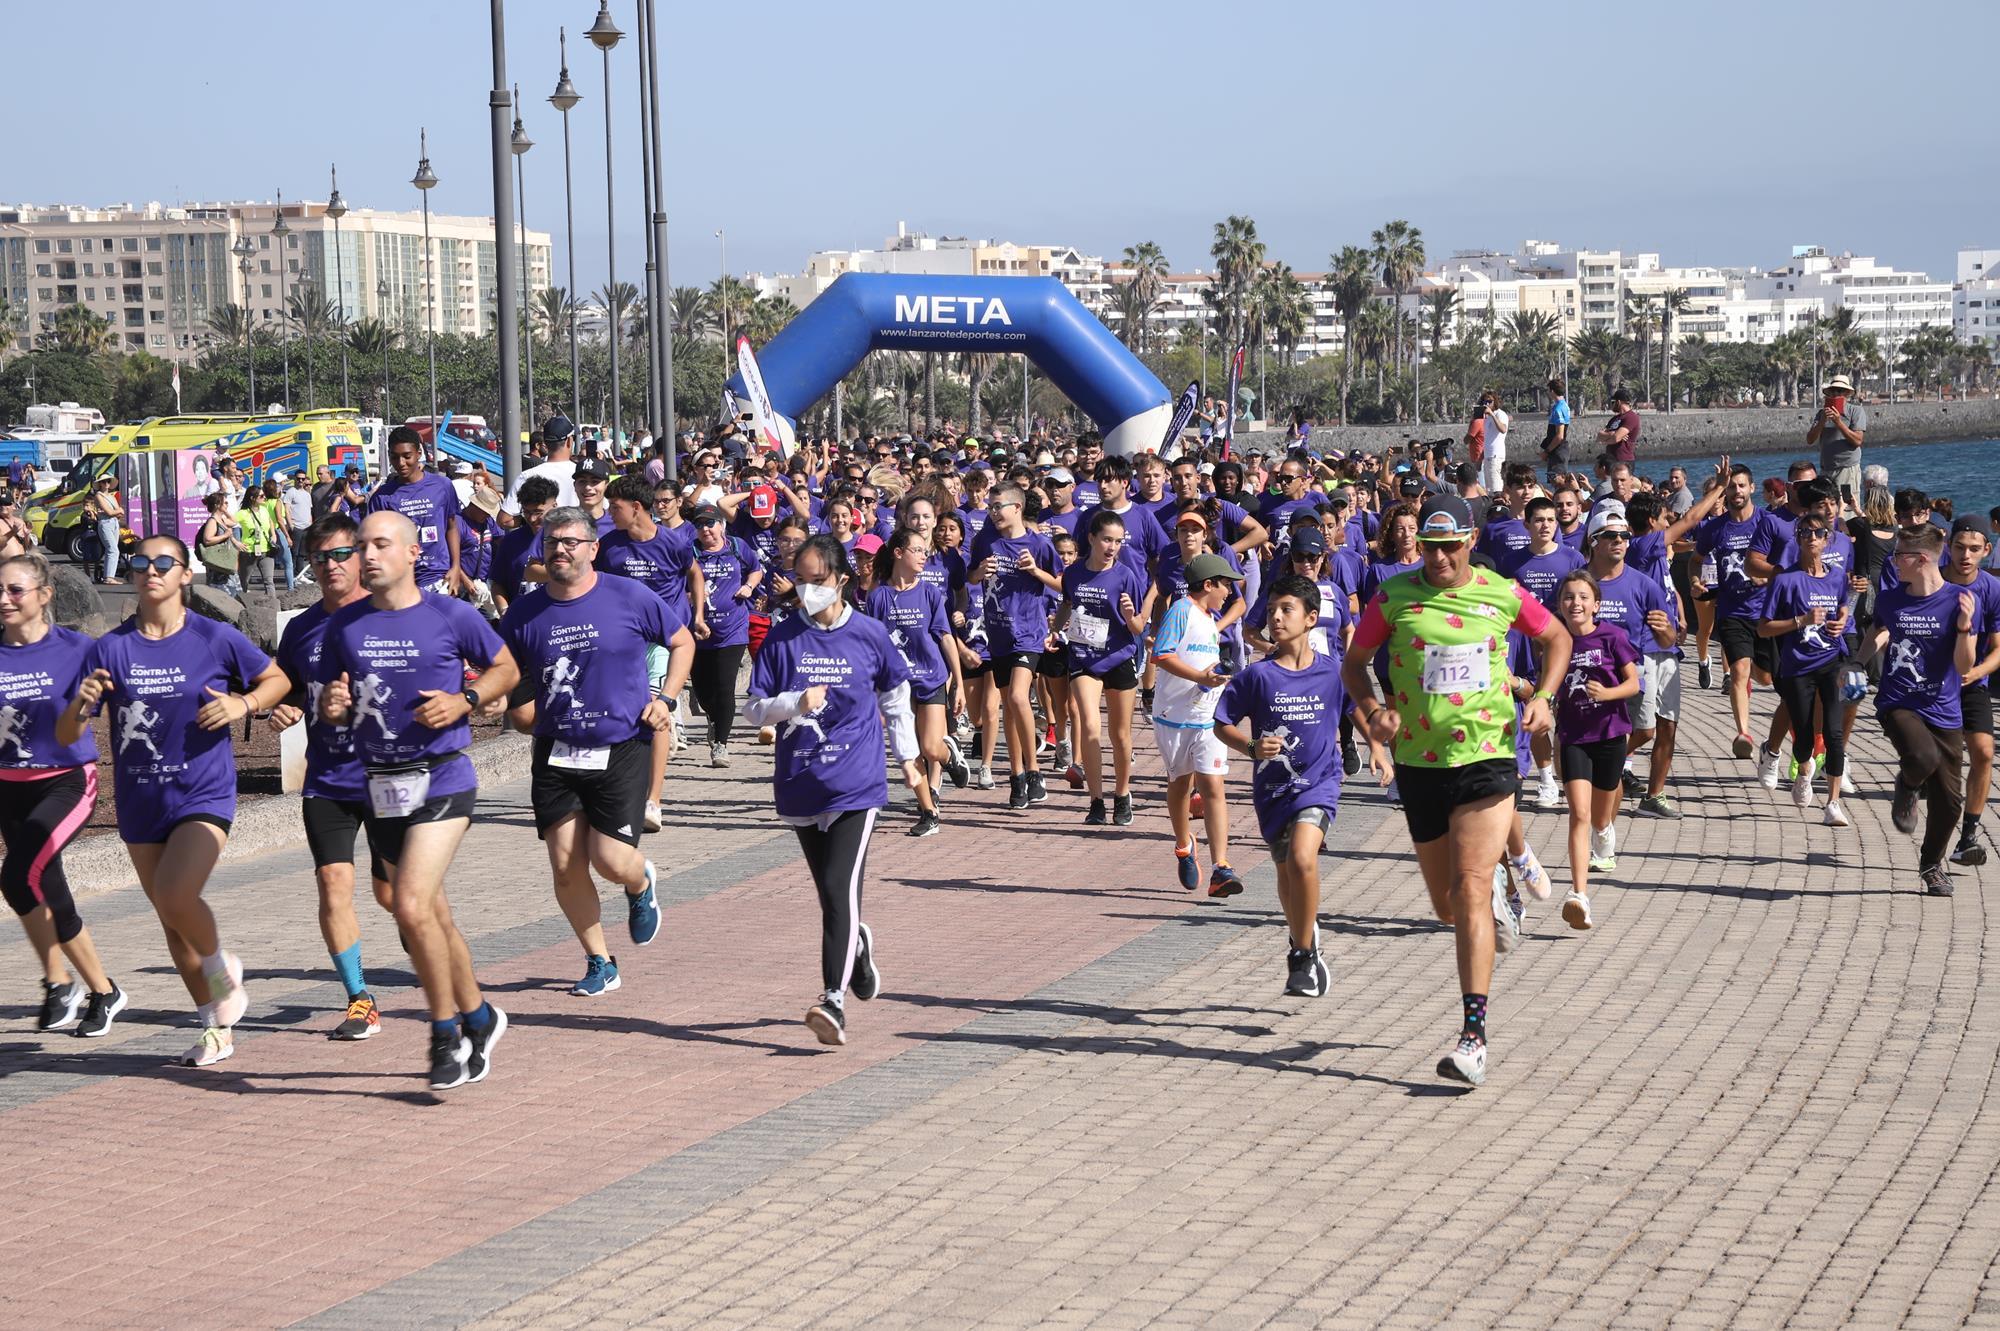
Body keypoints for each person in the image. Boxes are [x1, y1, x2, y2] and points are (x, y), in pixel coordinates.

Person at [1342, 493, 1571, 1088]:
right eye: (1430, 547)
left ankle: (1474, 1036)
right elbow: (1354, 662)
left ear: (1470, 540)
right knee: (1448, 906)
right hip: (1419, 763)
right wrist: (1373, 713)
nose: (1439, 558)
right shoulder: (1392, 597)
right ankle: (1498, 885)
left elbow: (1559, 640)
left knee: (1467, 889)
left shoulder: (1501, 591)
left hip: (1488, 757)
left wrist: (1543, 698)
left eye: (1450, 546)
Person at [59, 534, 290, 1067]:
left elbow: (276, 679)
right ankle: (214, 1026)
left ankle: (221, 967)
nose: (150, 570)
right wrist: (80, 703)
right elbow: (70, 727)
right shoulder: (110, 647)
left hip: (202, 792)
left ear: (187, 574)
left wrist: (244, 703)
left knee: (176, 892)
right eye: (140, 562)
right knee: (172, 918)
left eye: (164, 562)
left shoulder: (215, 638)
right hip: (142, 799)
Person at [316, 511, 522, 1090]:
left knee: (408, 905)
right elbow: (338, 700)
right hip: (379, 782)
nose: (368, 555)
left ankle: (444, 1033)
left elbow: (506, 667)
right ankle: (481, 1016)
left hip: (442, 776)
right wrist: (333, 706)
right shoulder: (346, 626)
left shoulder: (450, 614)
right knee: (429, 913)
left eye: (381, 544)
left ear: (412, 553)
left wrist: (467, 699)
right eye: (362, 546)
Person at [501, 506, 690, 996]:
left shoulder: (627, 596)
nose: (559, 550)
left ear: (592, 548)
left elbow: (681, 641)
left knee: (609, 860)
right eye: (550, 543)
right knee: (565, 866)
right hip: (557, 751)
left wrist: (665, 698)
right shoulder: (525, 612)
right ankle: (599, 961)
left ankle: (639, 882)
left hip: (621, 745)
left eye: (569, 541)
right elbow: (502, 669)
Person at [742, 536, 913, 1046]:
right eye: (801, 579)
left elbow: (897, 696)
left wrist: (909, 760)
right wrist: (794, 702)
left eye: (818, 580)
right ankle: (855, 945)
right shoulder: (781, 638)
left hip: (856, 782)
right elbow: (754, 709)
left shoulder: (870, 634)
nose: (808, 589)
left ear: (841, 578)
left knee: (839, 888)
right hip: (800, 782)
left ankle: (832, 1003)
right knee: (833, 900)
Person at [1214, 574, 1375, 997]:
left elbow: (1355, 709)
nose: (1277, 618)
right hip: (1273, 792)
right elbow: (1221, 724)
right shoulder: (1257, 676)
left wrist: (1378, 747)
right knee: (1287, 874)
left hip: (1319, 782)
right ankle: (1304, 936)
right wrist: (1251, 747)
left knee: (1304, 859)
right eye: (1271, 611)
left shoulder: (1333, 673)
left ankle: (1302, 956)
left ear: (1311, 618)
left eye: (1286, 610)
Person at [268, 513, 396, 1038]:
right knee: (331, 882)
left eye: (340, 554)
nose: (330, 566)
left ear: (361, 557)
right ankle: (359, 997)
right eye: (320, 557)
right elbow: (289, 686)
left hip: (389, 776)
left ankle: (424, 936)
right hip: (329, 779)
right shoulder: (301, 628)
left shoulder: (391, 616)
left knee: (395, 895)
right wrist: (284, 707)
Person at [1, 551, 125, 1036]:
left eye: (16, 590)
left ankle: (74, 985)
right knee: (46, 888)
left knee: (16, 877)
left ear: (44, 596)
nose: (5, 599)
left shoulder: (77, 649)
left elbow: (128, 694)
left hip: (66, 782)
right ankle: (88, 987)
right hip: (8, 788)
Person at [1864, 524, 1978, 896]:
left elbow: (1964, 668)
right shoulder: (1891, 599)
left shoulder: (1958, 600)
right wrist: (1856, 663)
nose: (1893, 562)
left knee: (1950, 803)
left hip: (1943, 709)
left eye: (1899, 556)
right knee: (1921, 755)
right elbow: (1878, 631)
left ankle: (1931, 864)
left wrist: (1963, 629)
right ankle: (1908, 785)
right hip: (1898, 700)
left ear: (1922, 559)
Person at [1548, 570, 1641, 929]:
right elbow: (1547, 684)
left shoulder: (1612, 637)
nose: (1576, 603)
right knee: (1579, 814)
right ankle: (1579, 896)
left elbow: (1633, 683)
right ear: (1560, 604)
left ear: (1596, 604)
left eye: (1583, 597)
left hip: (1611, 733)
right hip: (1573, 736)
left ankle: (1605, 832)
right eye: (1569, 597)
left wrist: (1608, 694)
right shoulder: (1556, 642)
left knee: (1601, 815)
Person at [1052, 510, 1152, 825]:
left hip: (1119, 657)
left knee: (1120, 735)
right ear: (1092, 538)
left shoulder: (1126, 576)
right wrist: (1054, 629)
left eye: (1118, 541)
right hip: (1083, 657)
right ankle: (1096, 800)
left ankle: (1122, 794)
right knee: (1090, 726)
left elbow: (1137, 628)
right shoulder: (1074, 574)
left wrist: (1129, 614)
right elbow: (1067, 603)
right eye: (1107, 539)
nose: (1112, 547)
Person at [865, 529, 965, 837]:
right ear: (898, 553)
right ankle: (928, 812)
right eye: (918, 550)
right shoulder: (878, 596)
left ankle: (952, 758)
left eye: (926, 551)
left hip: (930, 679)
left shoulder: (930, 593)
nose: (924, 556)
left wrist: (958, 681)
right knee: (909, 752)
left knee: (931, 748)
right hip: (897, 685)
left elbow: (945, 637)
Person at [968, 484, 1062, 809]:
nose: (993, 512)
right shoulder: (985, 540)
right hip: (998, 634)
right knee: (1010, 703)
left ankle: (1034, 772)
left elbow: (1063, 583)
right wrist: (980, 571)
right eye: (990, 507)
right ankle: (1016, 774)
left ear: (1017, 508)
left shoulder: (1038, 544)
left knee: (1020, 697)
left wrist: (1035, 571)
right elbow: (970, 578)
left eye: (998, 506)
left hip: (1028, 633)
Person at [1759, 514, 1856, 828]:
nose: (1812, 538)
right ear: (1798, 539)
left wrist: (1841, 619)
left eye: (1818, 533)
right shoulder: (1786, 580)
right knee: (1803, 736)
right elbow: (1763, 628)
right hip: (1798, 666)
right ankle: (1803, 770)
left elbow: (1843, 605)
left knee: (1834, 733)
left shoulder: (1838, 576)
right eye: (1805, 533)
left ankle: (1833, 803)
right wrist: (1800, 621)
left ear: (1826, 539)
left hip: (1831, 663)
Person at [1153, 552, 1241, 896]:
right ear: (1208, 585)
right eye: (1225, 586)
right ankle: (1183, 845)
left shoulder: (1209, 618)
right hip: (1174, 717)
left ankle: (1222, 866)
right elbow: (1161, 654)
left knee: (1213, 787)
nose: (1229, 593)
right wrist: (1200, 677)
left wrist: (1217, 677)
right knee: (1180, 784)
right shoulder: (1181, 610)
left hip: (1208, 718)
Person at [1697, 463, 1787, 759]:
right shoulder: (1715, 528)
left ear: (1751, 488)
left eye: (1741, 485)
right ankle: (1743, 733)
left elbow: (1787, 561)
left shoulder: (1768, 522)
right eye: (1731, 486)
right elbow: (1694, 560)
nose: (1736, 491)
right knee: (1739, 670)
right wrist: (1695, 581)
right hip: (1732, 610)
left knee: (1766, 678)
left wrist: (1770, 576)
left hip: (1767, 611)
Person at [1940, 515, 2000, 864]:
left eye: (1974, 549)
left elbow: (1998, 648)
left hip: (1972, 681)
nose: (1965, 555)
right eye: (1960, 548)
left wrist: (1976, 670)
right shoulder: (1932, 582)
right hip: (1931, 683)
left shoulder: (1991, 589)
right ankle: (1911, 781)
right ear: (1947, 547)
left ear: (1986, 550)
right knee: (1937, 762)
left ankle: (1968, 836)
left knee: (1983, 752)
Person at [688, 504, 762, 767]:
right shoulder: (691, 551)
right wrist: (689, 596)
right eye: (699, 525)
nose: (705, 529)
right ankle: (713, 717)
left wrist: (748, 586)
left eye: (710, 523)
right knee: (702, 690)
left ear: (721, 525)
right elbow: (677, 581)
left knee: (725, 688)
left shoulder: (737, 547)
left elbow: (756, 568)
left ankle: (721, 744)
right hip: (697, 632)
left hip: (733, 630)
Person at [367, 426, 467, 596]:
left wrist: (456, 567)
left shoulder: (442, 486)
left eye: (407, 456)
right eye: (394, 457)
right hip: (400, 583)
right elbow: (374, 544)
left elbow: (451, 527)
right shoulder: (381, 497)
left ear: (418, 453)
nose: (401, 463)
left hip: (438, 578)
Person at [1807, 374, 1867, 514]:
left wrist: (1838, 422)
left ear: (1846, 393)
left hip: (1846, 469)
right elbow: (1810, 439)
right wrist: (1822, 421)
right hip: (1827, 468)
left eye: (1839, 391)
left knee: (1847, 508)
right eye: (1833, 391)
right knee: (1826, 507)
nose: (1835, 394)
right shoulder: (1822, 413)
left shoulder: (1855, 411)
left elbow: (1858, 440)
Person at [87, 476, 124, 585]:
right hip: (105, 523)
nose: (107, 483)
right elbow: (110, 512)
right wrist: (117, 511)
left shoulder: (111, 496)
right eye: (104, 481)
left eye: (108, 481)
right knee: (112, 549)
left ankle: (108, 576)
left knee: (112, 550)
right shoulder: (98, 496)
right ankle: (108, 577)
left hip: (114, 523)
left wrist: (116, 512)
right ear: (100, 484)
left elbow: (119, 513)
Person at [1597, 388, 1640, 465]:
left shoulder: (1631, 417)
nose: (1612, 405)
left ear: (1619, 402)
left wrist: (1606, 439)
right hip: (1610, 461)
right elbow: (1599, 436)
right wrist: (1612, 434)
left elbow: (1616, 438)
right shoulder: (1614, 419)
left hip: (1624, 461)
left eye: (1613, 402)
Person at [1539, 378, 1571, 482]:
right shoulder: (1562, 406)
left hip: (1558, 451)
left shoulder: (1558, 408)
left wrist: (1547, 452)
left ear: (1552, 391)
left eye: (1548, 390)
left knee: (1557, 481)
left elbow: (1559, 436)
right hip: (1557, 450)